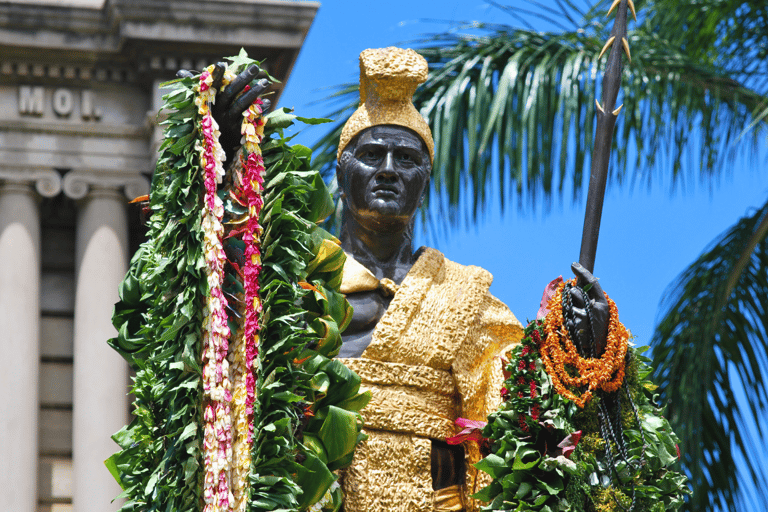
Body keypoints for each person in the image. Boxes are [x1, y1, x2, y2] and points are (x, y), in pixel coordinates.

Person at [209, 46, 608, 512]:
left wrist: (579, 348)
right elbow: (216, 315)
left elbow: (521, 415)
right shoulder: (291, 276)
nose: (387, 170)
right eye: (372, 154)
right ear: (341, 172)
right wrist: (220, 152)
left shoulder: (468, 295)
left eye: (406, 159)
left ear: (426, 180)